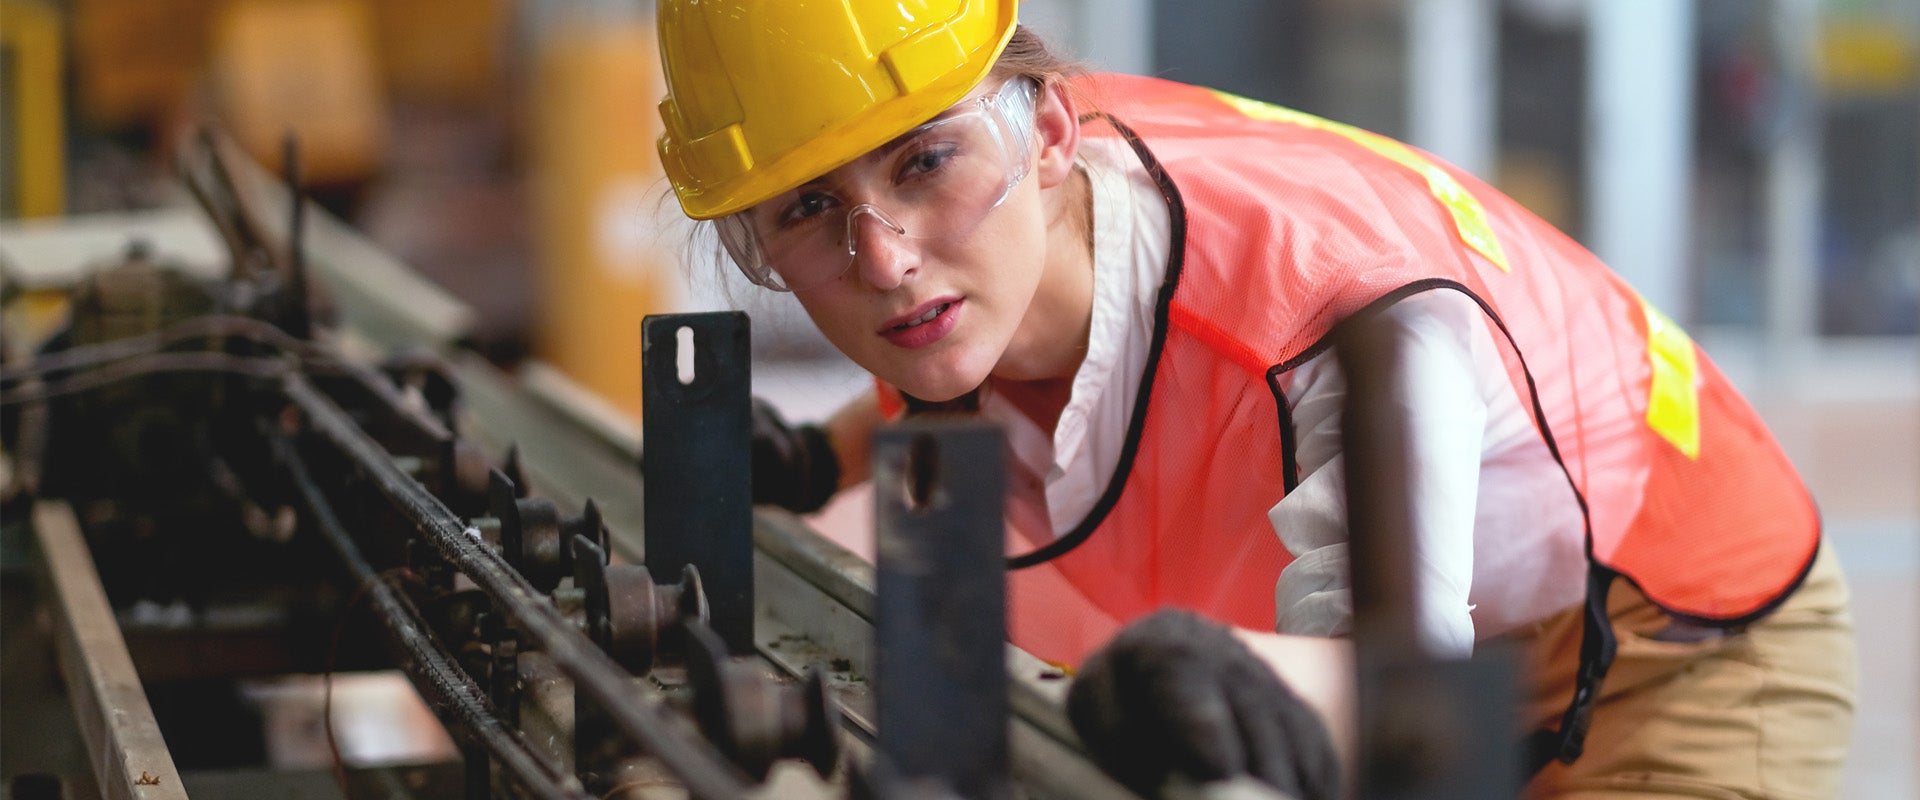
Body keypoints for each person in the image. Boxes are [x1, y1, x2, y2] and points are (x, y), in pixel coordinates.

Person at [654, 2, 1856, 798]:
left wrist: (1227, 668)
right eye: (807, 208)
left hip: (1673, 632)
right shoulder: (969, 240)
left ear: (1053, 133)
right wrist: (818, 455)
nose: (884, 260)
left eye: (922, 162)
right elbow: (978, 376)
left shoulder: (1336, 325)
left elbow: (1405, 697)